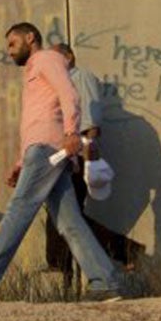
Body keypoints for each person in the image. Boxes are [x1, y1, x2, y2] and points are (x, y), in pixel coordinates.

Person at [0, 23, 126, 303]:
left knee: (20, 208)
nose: (9, 51)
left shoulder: (47, 59)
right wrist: (19, 163)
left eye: (13, 43)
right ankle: (106, 281)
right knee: (69, 222)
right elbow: (36, 121)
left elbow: (70, 94)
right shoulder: (34, 71)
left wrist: (72, 132)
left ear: (30, 38)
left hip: (48, 148)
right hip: (42, 150)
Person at [43, 38, 141, 274]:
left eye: (56, 58)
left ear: (69, 58)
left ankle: (123, 249)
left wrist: (86, 154)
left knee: (66, 213)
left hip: (75, 156)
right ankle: (60, 263)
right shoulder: (61, 82)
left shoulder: (81, 77)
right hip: (61, 156)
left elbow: (90, 120)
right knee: (61, 212)